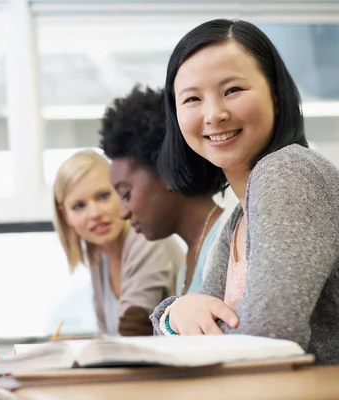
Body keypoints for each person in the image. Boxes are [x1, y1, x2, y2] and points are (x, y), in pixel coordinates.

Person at [149, 19, 339, 365]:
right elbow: (194, 333)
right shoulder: (240, 215)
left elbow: (269, 337)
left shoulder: (288, 171)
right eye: (192, 99)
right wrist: (174, 315)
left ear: (276, 96)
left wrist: (177, 313)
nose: (214, 114)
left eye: (232, 90)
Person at [99, 85, 229, 295]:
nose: (123, 212)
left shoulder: (230, 242)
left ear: (166, 172)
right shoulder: (190, 260)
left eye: (126, 194)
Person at [53, 149, 184, 336]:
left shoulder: (147, 241)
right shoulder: (100, 256)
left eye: (103, 196)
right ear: (65, 215)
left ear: (120, 192)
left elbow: (133, 334)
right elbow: (111, 337)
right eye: (79, 206)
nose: (95, 213)